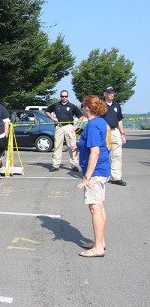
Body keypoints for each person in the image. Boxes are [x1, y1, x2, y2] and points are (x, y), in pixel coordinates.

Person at [73, 95, 111, 258]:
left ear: (87, 108)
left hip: (96, 171)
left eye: (83, 105)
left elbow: (95, 151)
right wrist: (80, 146)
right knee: (99, 206)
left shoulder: (94, 124)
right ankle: (100, 241)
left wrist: (86, 177)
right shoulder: (101, 122)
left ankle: (98, 248)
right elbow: (93, 146)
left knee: (94, 207)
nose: (82, 108)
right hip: (102, 169)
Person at [45, 90, 84, 172]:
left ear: (68, 96)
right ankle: (55, 165)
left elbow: (81, 116)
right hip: (59, 127)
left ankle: (74, 165)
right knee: (57, 146)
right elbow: (47, 111)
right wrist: (52, 117)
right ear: (60, 97)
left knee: (72, 146)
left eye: (65, 96)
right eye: (62, 96)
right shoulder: (56, 105)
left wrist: (76, 126)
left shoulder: (72, 106)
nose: (64, 98)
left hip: (69, 127)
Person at [102, 86, 126, 186]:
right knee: (103, 154)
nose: (112, 94)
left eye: (113, 93)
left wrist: (122, 133)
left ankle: (116, 177)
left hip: (115, 131)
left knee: (117, 155)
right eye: (109, 93)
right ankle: (102, 176)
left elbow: (119, 119)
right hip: (105, 132)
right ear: (105, 94)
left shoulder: (116, 105)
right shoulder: (101, 105)